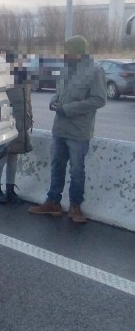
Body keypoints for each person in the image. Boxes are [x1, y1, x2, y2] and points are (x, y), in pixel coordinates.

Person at [28, 35, 106, 223]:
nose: (65, 55)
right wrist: (54, 102)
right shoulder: (64, 70)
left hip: (79, 132)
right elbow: (59, 94)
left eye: (69, 52)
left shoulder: (95, 71)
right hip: (59, 129)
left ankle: (75, 206)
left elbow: (99, 99)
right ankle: (53, 202)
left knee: (77, 170)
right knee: (56, 166)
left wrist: (68, 109)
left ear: (79, 53)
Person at [0, 49, 33, 204]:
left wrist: (29, 117)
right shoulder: (2, 78)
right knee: (2, 156)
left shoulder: (24, 78)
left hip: (20, 122)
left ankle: (10, 189)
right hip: (7, 122)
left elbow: (28, 100)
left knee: (14, 157)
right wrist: (6, 122)